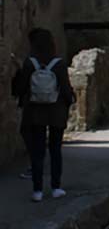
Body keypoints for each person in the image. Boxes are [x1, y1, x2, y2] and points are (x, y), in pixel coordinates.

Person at [11, 28, 75, 202]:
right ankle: (56, 187)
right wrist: (68, 103)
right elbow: (66, 90)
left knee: (38, 152)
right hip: (56, 113)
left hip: (34, 113)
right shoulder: (59, 63)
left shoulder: (30, 63)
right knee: (55, 150)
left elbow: (20, 89)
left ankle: (37, 191)